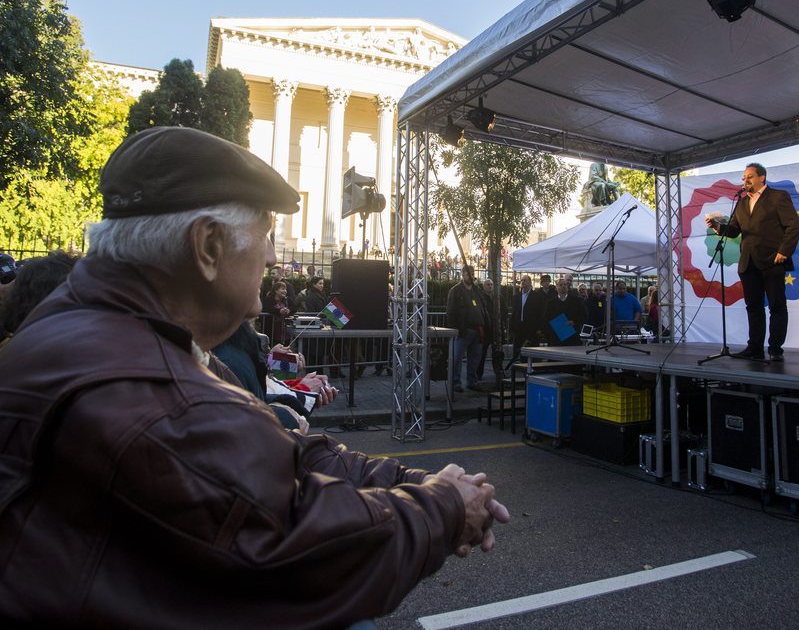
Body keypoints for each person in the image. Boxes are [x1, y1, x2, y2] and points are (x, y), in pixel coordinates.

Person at [0, 126, 509, 627]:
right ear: (208, 246)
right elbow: (308, 550)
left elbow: (275, 443)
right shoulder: (157, 394)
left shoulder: (95, 325)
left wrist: (417, 479)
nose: (270, 257)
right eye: (265, 234)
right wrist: (447, 506)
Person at [706, 162, 799, 362]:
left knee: (776, 306)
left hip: (773, 259)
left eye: (749, 176)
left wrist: (784, 251)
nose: (745, 180)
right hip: (748, 262)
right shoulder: (741, 202)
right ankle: (754, 347)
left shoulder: (777, 197)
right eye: (744, 177)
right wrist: (717, 226)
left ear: (762, 177)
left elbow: (793, 225)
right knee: (753, 306)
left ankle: (775, 349)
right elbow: (733, 230)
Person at [446, 264, 489, 392]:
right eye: (468, 273)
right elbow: (451, 310)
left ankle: (472, 381)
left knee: (475, 358)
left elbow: (484, 307)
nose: (471, 276)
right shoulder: (455, 291)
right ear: (462, 274)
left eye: (472, 273)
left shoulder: (477, 291)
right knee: (457, 357)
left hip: (478, 330)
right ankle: (455, 382)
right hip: (463, 330)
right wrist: (454, 329)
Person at [543, 276, 588, 346]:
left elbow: (584, 316)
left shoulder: (577, 301)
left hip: (572, 337)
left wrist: (574, 321)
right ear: (556, 288)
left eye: (565, 284)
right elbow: (546, 318)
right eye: (561, 285)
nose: (563, 286)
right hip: (556, 338)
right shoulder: (550, 303)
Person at [510, 274, 546, 361]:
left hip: (532, 329)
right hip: (519, 328)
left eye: (525, 280)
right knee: (519, 350)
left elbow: (541, 313)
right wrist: (512, 327)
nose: (522, 282)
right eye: (521, 280)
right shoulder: (516, 297)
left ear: (530, 283)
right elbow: (514, 313)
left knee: (532, 351)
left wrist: (540, 328)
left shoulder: (537, 297)